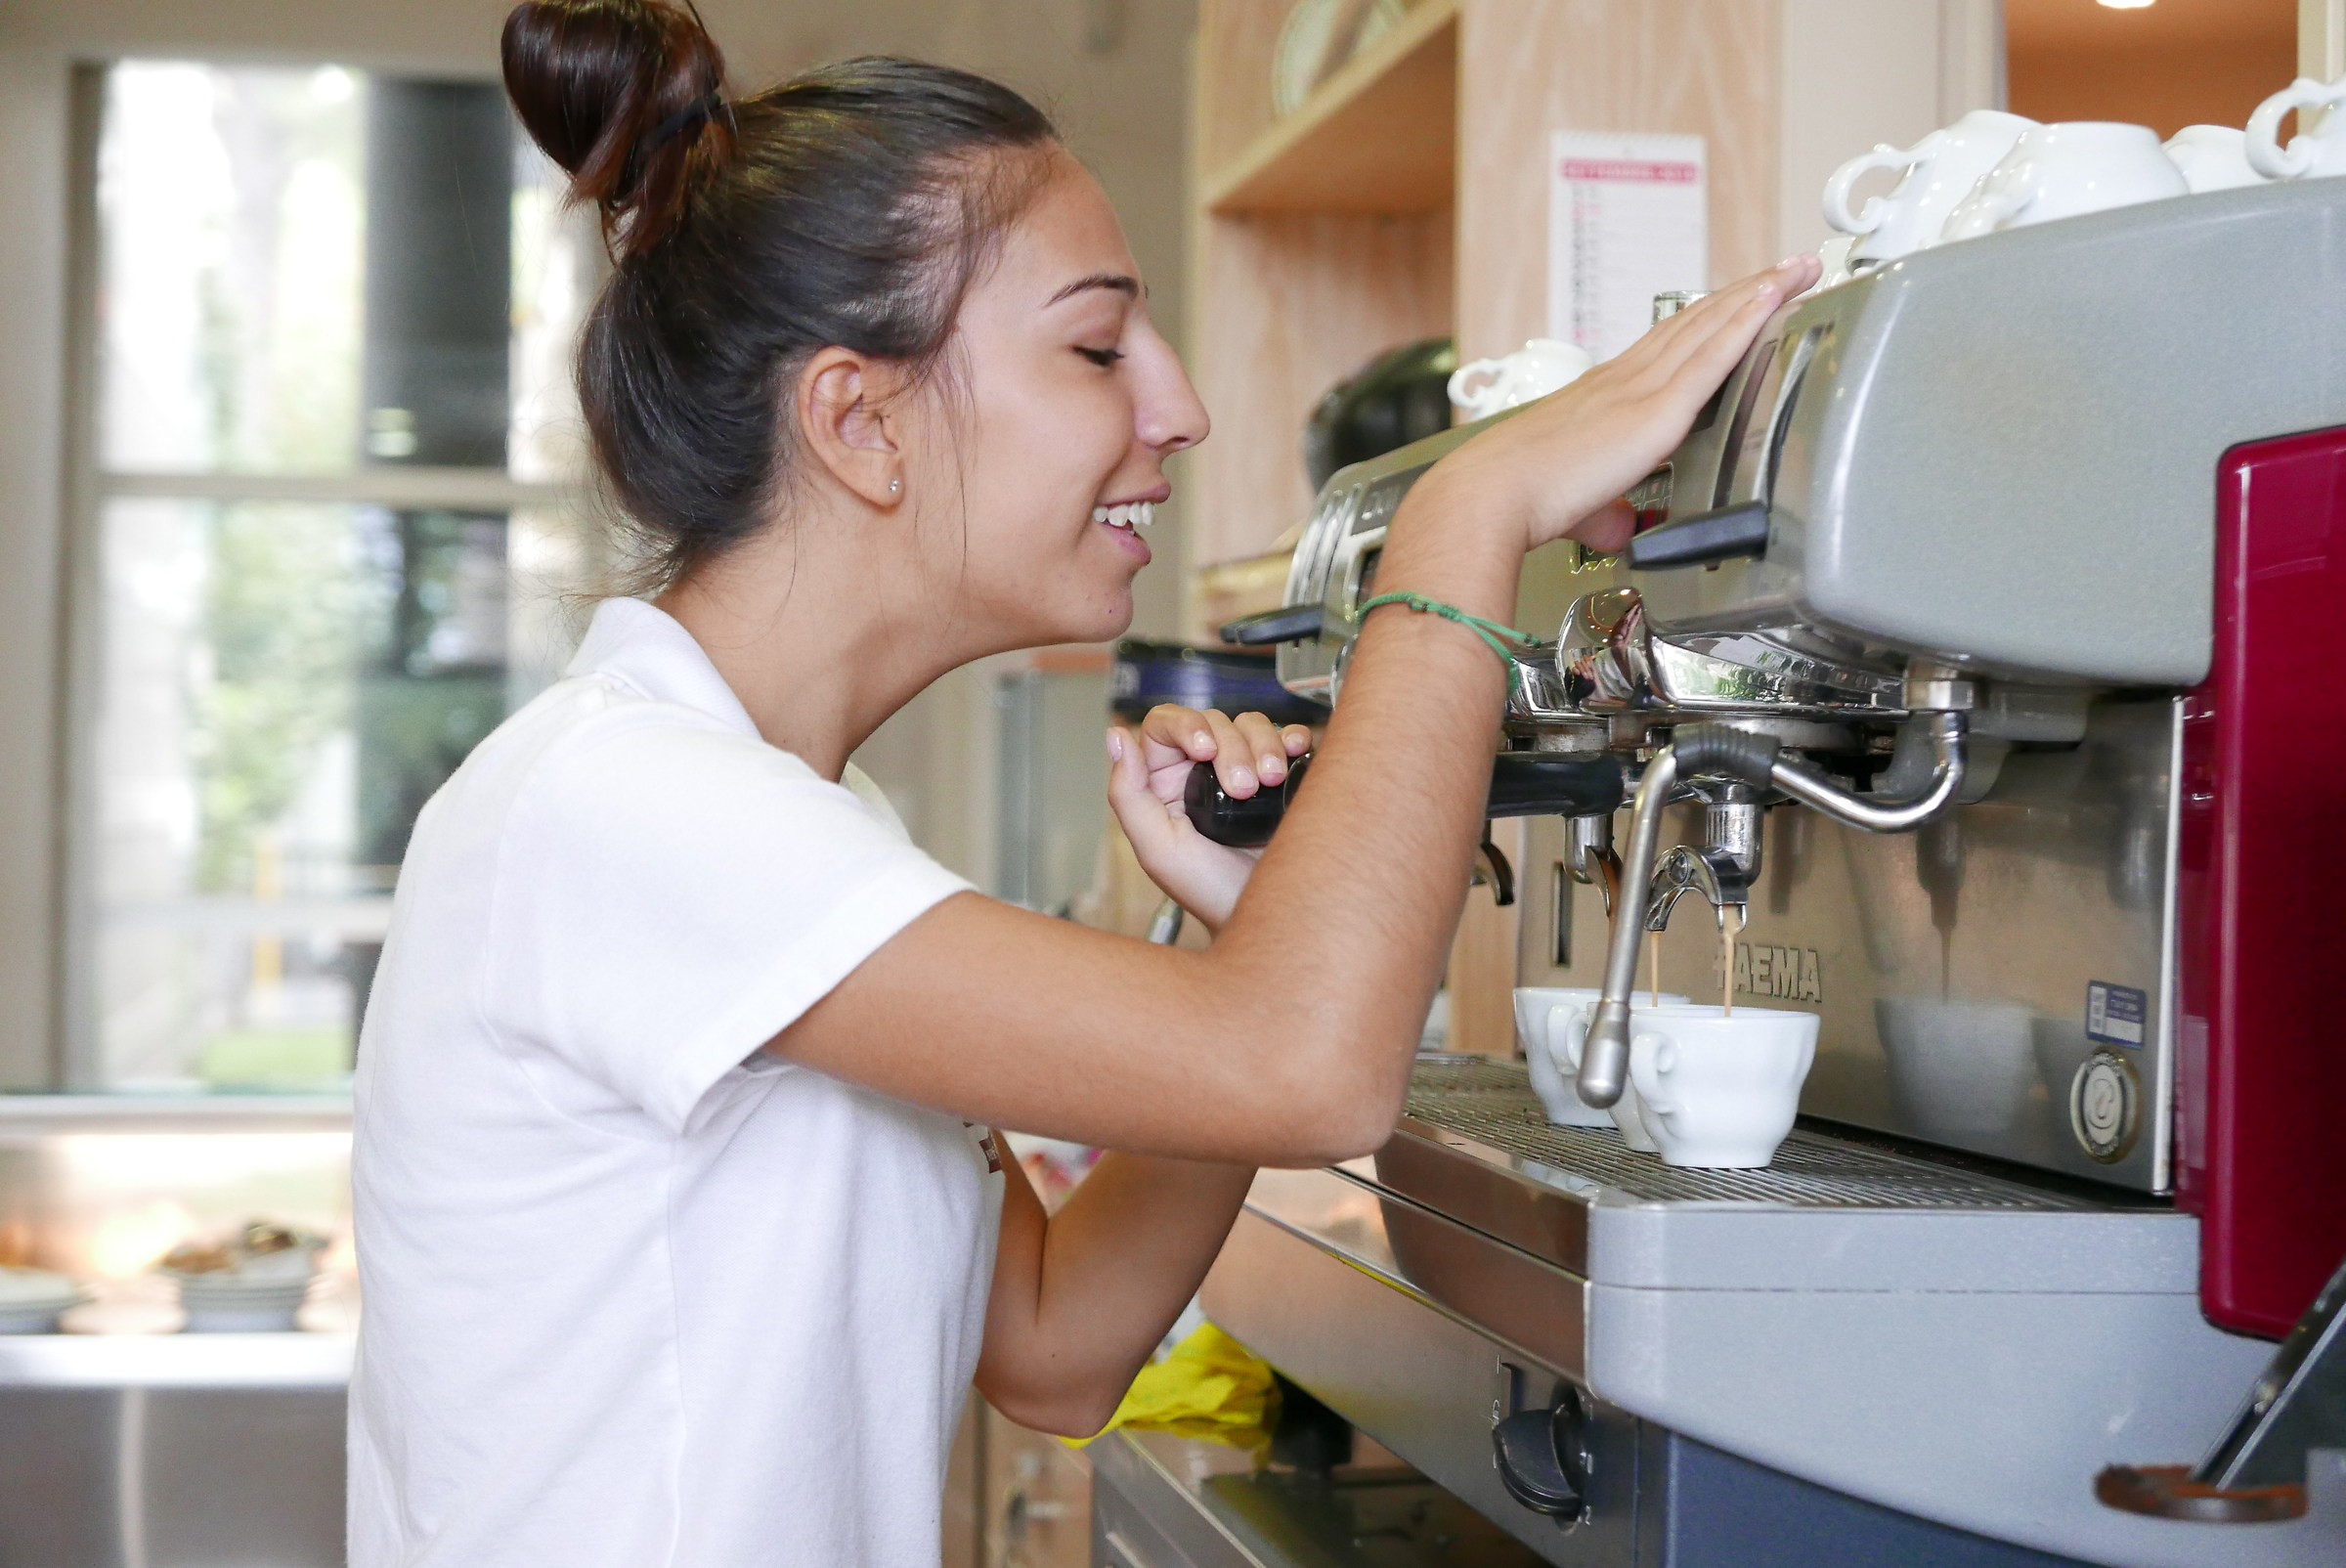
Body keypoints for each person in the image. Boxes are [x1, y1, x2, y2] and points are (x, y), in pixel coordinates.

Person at [345, 2, 1819, 1563]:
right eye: (1099, 346)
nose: (1176, 409)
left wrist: (1230, 939)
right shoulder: (625, 811)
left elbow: (1054, 1345)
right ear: (859, 419)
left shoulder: (793, 831)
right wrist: (1470, 514)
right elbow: (1311, 1073)